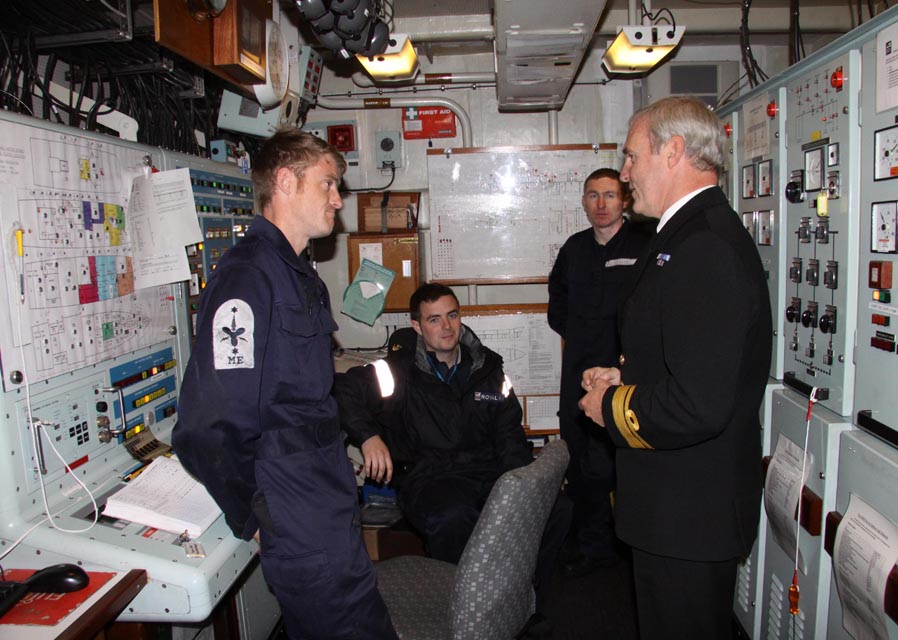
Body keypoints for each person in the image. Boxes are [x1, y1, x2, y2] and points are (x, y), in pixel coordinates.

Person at [172, 127, 398, 640]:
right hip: (292, 499)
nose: (338, 200)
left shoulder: (298, 276)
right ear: (285, 182)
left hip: (325, 489)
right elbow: (209, 423)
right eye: (328, 184)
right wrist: (252, 511)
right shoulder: (246, 278)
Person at [579, 97, 772, 640]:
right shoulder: (683, 234)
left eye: (632, 156)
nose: (625, 172)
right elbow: (684, 355)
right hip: (677, 506)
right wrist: (624, 377)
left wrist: (610, 406)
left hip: (690, 514)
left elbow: (699, 402)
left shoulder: (705, 245)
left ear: (674, 151)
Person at [336, 283, 571, 601]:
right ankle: (461, 607)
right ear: (417, 326)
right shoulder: (397, 372)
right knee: (454, 519)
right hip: (431, 477)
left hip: (489, 471)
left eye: (452, 315)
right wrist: (369, 437)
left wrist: (522, 483)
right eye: (434, 319)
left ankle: (522, 595)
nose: (446, 327)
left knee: (555, 507)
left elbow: (509, 435)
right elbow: (344, 390)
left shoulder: (488, 369)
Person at [547, 168, 654, 577]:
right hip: (578, 373)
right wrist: (580, 340)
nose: (601, 205)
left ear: (625, 200)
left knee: (616, 465)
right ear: (584, 202)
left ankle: (618, 544)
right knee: (578, 463)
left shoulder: (645, 245)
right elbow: (557, 304)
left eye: (609, 195)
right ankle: (586, 546)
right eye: (593, 196)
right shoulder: (574, 248)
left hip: (627, 376)